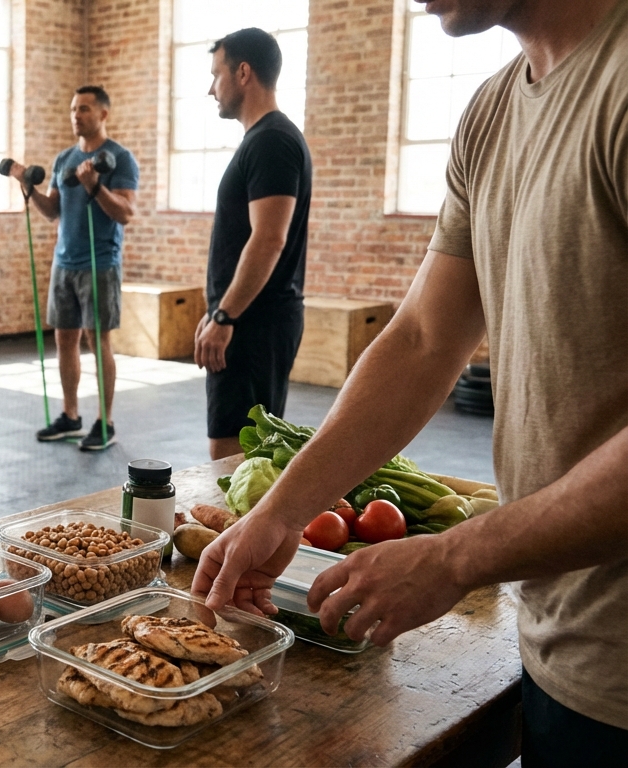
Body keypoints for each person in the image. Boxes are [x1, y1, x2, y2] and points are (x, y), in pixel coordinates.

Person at [193, 1, 628, 764]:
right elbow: (425, 337)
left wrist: (457, 558)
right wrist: (283, 510)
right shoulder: (494, 112)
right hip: (564, 646)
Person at [194, 28, 312, 460]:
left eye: (216, 74)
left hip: (253, 324)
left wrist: (225, 315)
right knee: (243, 451)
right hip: (249, 320)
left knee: (236, 455)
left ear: (243, 73)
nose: (211, 89)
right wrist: (217, 311)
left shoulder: (271, 142)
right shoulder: (264, 140)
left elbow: (268, 239)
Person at [4, 86, 138, 451]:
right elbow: (52, 211)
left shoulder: (120, 158)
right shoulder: (64, 158)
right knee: (64, 341)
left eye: (84, 109)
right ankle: (70, 415)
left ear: (103, 114)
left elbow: (126, 213)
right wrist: (28, 187)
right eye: (73, 109)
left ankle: (105, 423)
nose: (76, 115)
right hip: (64, 263)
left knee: (99, 341)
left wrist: (95, 186)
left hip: (100, 263)